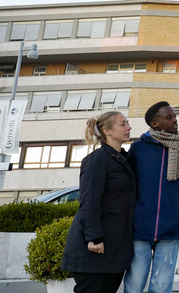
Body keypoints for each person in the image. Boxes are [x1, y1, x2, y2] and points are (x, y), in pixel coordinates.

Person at [125, 101, 179, 293]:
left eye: (174, 115)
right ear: (155, 124)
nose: (175, 119)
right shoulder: (138, 149)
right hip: (140, 228)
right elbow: (127, 186)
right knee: (134, 283)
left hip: (171, 227)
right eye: (169, 117)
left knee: (162, 286)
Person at [60, 111, 135, 293]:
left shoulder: (123, 159)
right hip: (95, 247)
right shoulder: (96, 160)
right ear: (107, 131)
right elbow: (89, 201)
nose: (129, 127)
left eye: (127, 123)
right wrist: (94, 237)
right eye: (122, 124)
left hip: (115, 246)